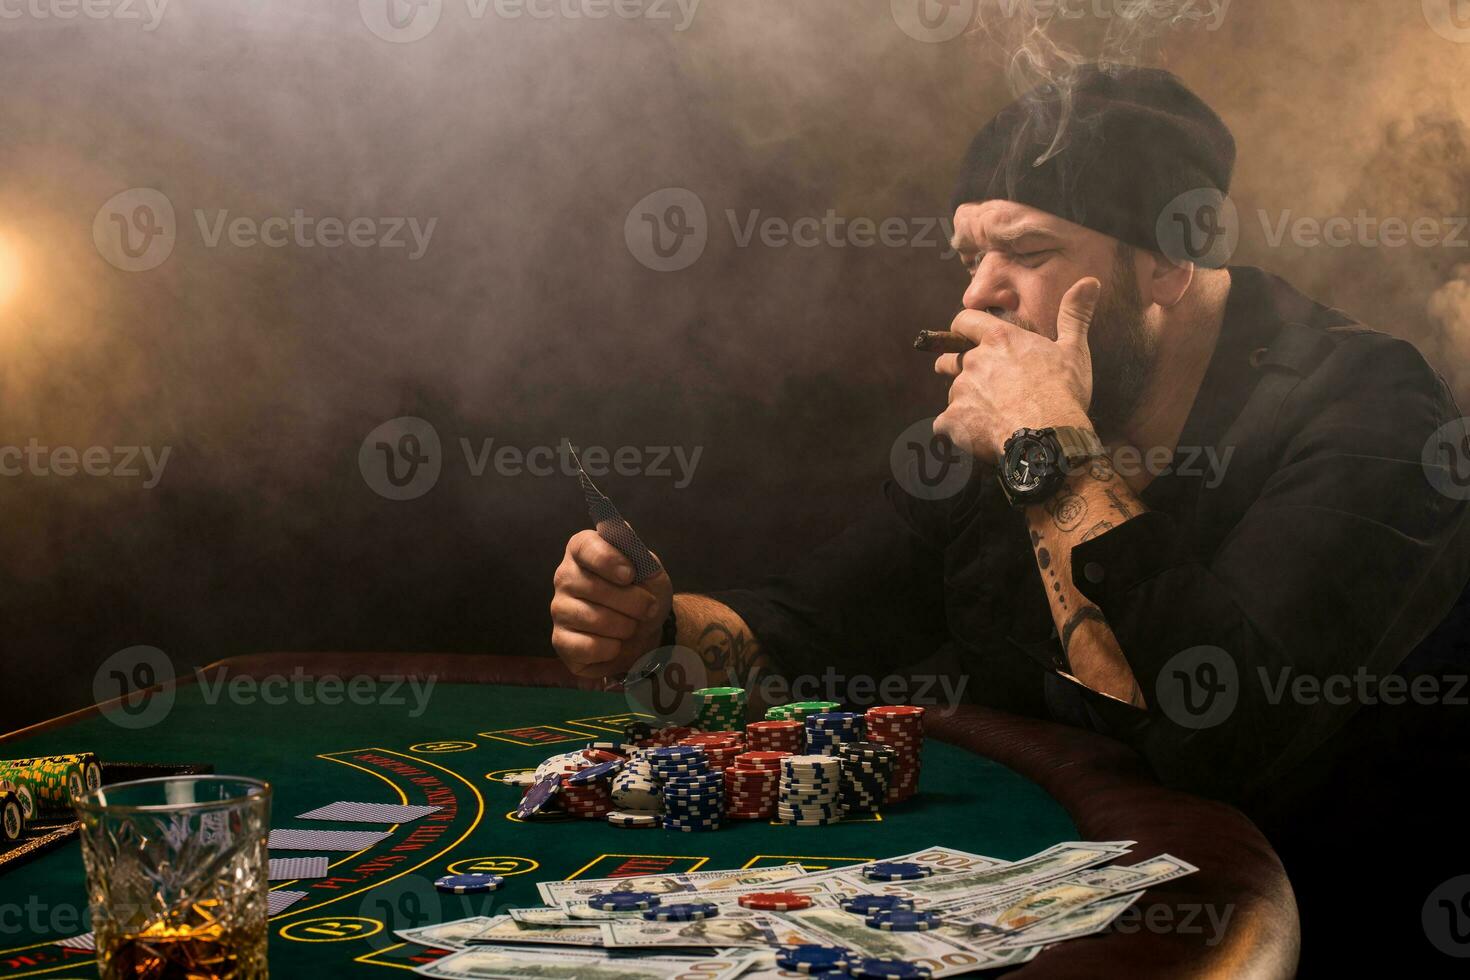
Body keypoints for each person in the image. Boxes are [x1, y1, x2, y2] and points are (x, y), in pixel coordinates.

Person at [549, 65, 1470, 966]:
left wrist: (1049, 446)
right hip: (1053, 916)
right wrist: (658, 630)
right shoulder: (1009, 415)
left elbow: (1222, 738)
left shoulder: (1371, 407)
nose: (977, 297)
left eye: (1027, 254)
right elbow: (809, 627)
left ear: (1167, 261)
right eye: (970, 258)